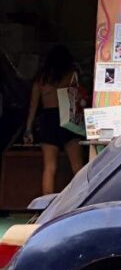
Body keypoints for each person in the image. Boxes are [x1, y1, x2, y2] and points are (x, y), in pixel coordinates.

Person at [23, 46, 85, 195]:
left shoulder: (41, 79)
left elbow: (33, 107)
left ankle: (45, 207)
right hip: (68, 119)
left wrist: (28, 129)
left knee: (49, 167)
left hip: (47, 119)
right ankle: (82, 201)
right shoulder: (71, 75)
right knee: (77, 167)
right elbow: (78, 99)